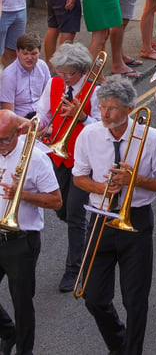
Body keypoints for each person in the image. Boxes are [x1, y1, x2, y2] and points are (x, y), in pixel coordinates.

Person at [72, 76, 156, 355]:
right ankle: (119, 344)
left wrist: (135, 180)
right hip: (101, 219)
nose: (104, 113)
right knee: (93, 297)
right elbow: (79, 177)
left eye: (112, 108)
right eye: (102, 107)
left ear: (129, 109)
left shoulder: (152, 138)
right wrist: (102, 188)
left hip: (137, 220)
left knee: (135, 300)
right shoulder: (89, 135)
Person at [35, 42, 102, 293]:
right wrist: (36, 124)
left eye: (69, 74)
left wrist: (82, 116)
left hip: (85, 161)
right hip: (58, 155)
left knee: (74, 214)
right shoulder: (53, 85)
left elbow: (103, 128)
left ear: (81, 70)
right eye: (61, 72)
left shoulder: (94, 90)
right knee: (62, 209)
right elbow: (43, 114)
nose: (64, 78)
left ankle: (74, 270)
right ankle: (87, 232)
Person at [0, 110, 62, 355]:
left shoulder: (35, 159)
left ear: (19, 133)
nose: (1, 146)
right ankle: (8, 332)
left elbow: (56, 201)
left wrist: (22, 194)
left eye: (5, 140)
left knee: (22, 304)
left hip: (21, 240)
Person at [0, 33, 51, 118]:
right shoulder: (8, 76)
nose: (29, 58)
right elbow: (9, 115)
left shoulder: (42, 66)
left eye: (34, 54)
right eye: (25, 54)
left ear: (40, 52)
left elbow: (50, 95)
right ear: (17, 52)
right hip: (21, 120)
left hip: (42, 115)